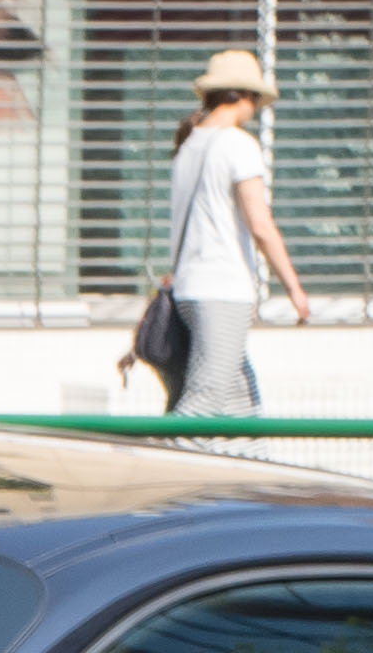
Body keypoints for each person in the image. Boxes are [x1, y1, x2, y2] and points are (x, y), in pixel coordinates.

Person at [130, 47, 314, 420]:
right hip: (221, 289)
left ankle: (251, 474)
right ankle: (148, 467)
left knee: (240, 402)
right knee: (206, 400)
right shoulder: (237, 144)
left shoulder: (188, 145)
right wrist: (293, 287)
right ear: (244, 97)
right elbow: (260, 225)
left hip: (189, 288)